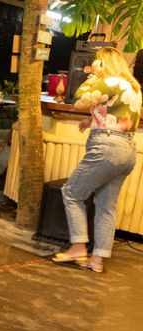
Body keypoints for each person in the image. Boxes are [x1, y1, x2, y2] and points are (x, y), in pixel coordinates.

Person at [52, 47, 141, 273]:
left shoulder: (110, 81)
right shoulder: (132, 87)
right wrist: (91, 122)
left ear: (105, 63)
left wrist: (91, 76)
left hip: (107, 148)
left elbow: (78, 100)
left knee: (71, 193)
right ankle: (97, 260)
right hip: (127, 150)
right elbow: (118, 114)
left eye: (98, 61)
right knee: (106, 207)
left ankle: (79, 246)